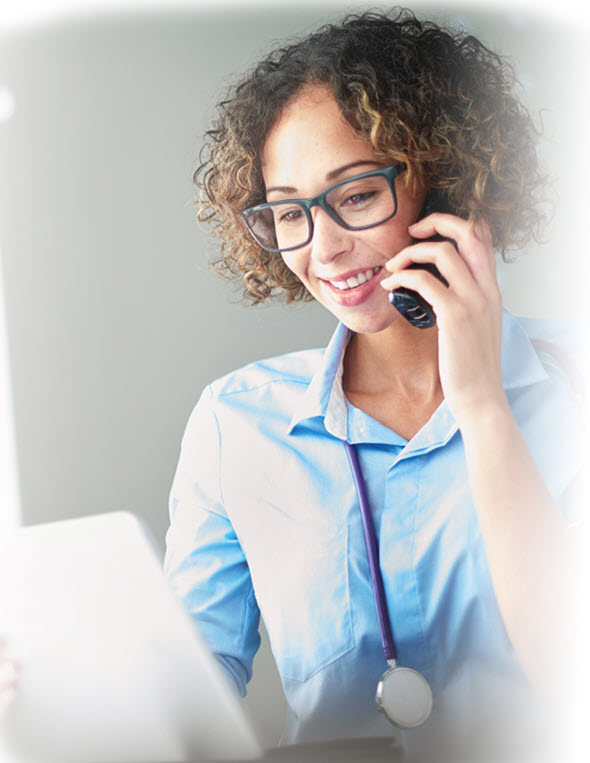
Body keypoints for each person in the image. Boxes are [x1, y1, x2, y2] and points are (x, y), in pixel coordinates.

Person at [1, 7, 585, 761]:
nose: (325, 247)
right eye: (287, 213)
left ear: (445, 184)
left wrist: (480, 401)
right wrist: (44, 696)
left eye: (357, 195)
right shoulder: (237, 421)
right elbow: (179, 704)